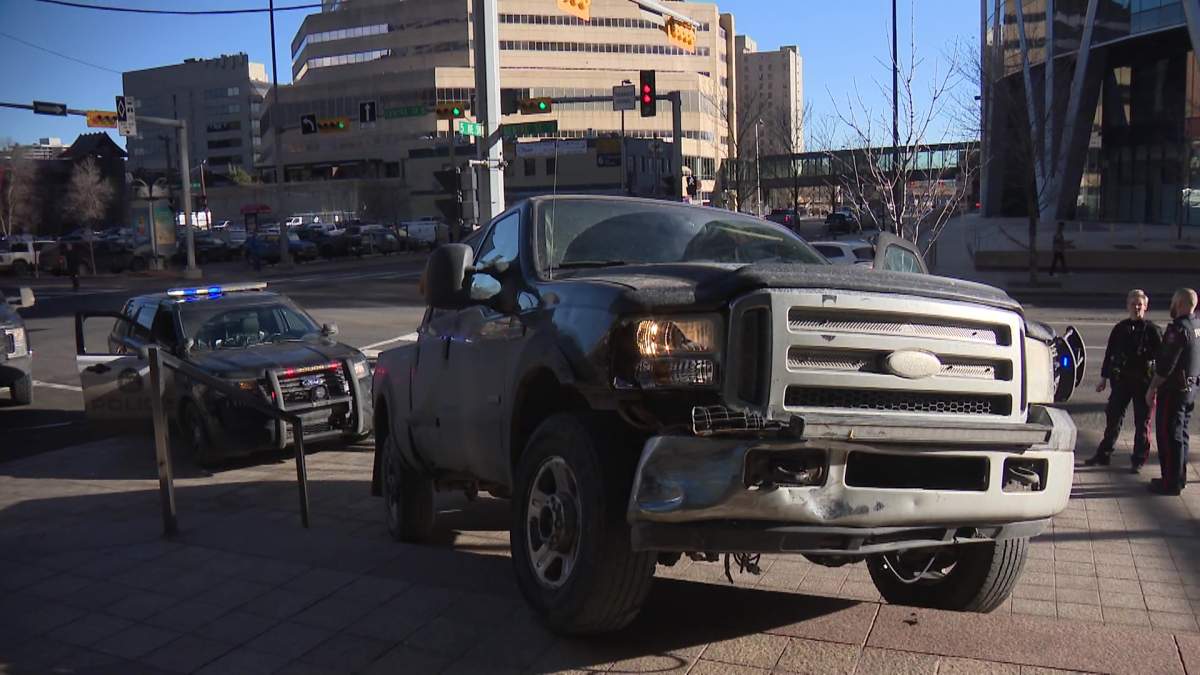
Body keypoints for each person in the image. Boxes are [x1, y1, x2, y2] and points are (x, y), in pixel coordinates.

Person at [1084, 289, 1162, 471]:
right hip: (1122, 381)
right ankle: (1104, 454)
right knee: (1113, 418)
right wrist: (1103, 378)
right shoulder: (1120, 328)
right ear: (1127, 306)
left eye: (1139, 305)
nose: (1136, 307)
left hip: (1144, 382)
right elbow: (1110, 353)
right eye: (1133, 304)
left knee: (1142, 422)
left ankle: (1138, 459)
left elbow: (1163, 360)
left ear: (1145, 307)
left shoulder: (1153, 331)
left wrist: (1157, 385)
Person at [1145, 288, 1200, 495]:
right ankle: (1179, 478)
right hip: (1190, 389)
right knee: (1182, 435)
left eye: (1173, 301)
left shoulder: (1178, 329)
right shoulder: (1197, 325)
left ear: (1179, 303)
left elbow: (1166, 365)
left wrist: (1152, 388)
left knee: (1169, 436)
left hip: (1174, 391)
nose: (1171, 304)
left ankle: (1170, 483)